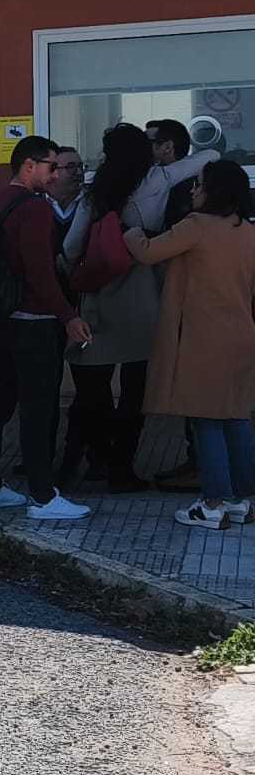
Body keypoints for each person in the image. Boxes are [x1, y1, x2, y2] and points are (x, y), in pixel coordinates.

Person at [124, 160, 255, 529]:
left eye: (198, 184)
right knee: (236, 417)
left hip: (204, 338)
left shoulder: (196, 225)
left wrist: (130, 230)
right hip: (241, 336)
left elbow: (147, 252)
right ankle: (241, 499)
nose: (193, 190)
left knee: (206, 420)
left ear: (215, 190)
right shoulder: (247, 230)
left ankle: (212, 503)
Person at [0, 135, 92, 522]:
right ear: (30, 165)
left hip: (0, 317)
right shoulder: (36, 208)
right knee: (38, 409)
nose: (56, 174)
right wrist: (68, 316)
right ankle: (42, 495)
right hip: (35, 322)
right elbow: (40, 271)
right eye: (51, 166)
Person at [56, 124, 159, 492]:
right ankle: (122, 468)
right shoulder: (155, 187)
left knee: (91, 389)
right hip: (145, 296)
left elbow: (71, 248)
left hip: (100, 296)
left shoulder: (95, 195)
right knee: (134, 391)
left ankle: (80, 462)